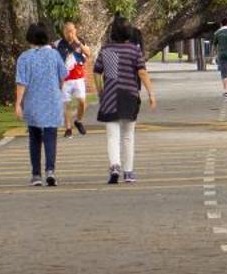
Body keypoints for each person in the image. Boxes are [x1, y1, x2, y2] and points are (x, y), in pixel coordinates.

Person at [93, 16, 157, 183]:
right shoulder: (134, 50)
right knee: (128, 134)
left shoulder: (105, 50)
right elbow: (142, 72)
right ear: (129, 32)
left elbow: (97, 72)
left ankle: (115, 165)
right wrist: (151, 93)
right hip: (129, 94)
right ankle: (128, 172)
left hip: (110, 95)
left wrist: (101, 91)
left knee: (112, 135)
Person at [13, 22, 66, 186]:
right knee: (51, 136)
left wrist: (18, 103)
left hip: (33, 101)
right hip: (52, 100)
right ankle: (50, 170)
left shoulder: (24, 57)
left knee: (34, 137)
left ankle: (36, 174)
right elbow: (63, 76)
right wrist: (57, 90)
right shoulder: (55, 55)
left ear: (30, 37)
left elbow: (21, 82)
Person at [57, 20, 89, 137]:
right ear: (63, 33)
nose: (69, 34)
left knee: (82, 101)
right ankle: (68, 128)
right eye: (67, 32)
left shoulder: (80, 42)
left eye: (71, 31)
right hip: (65, 79)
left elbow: (88, 54)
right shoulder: (59, 44)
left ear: (75, 30)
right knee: (66, 104)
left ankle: (78, 121)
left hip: (79, 77)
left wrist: (78, 43)